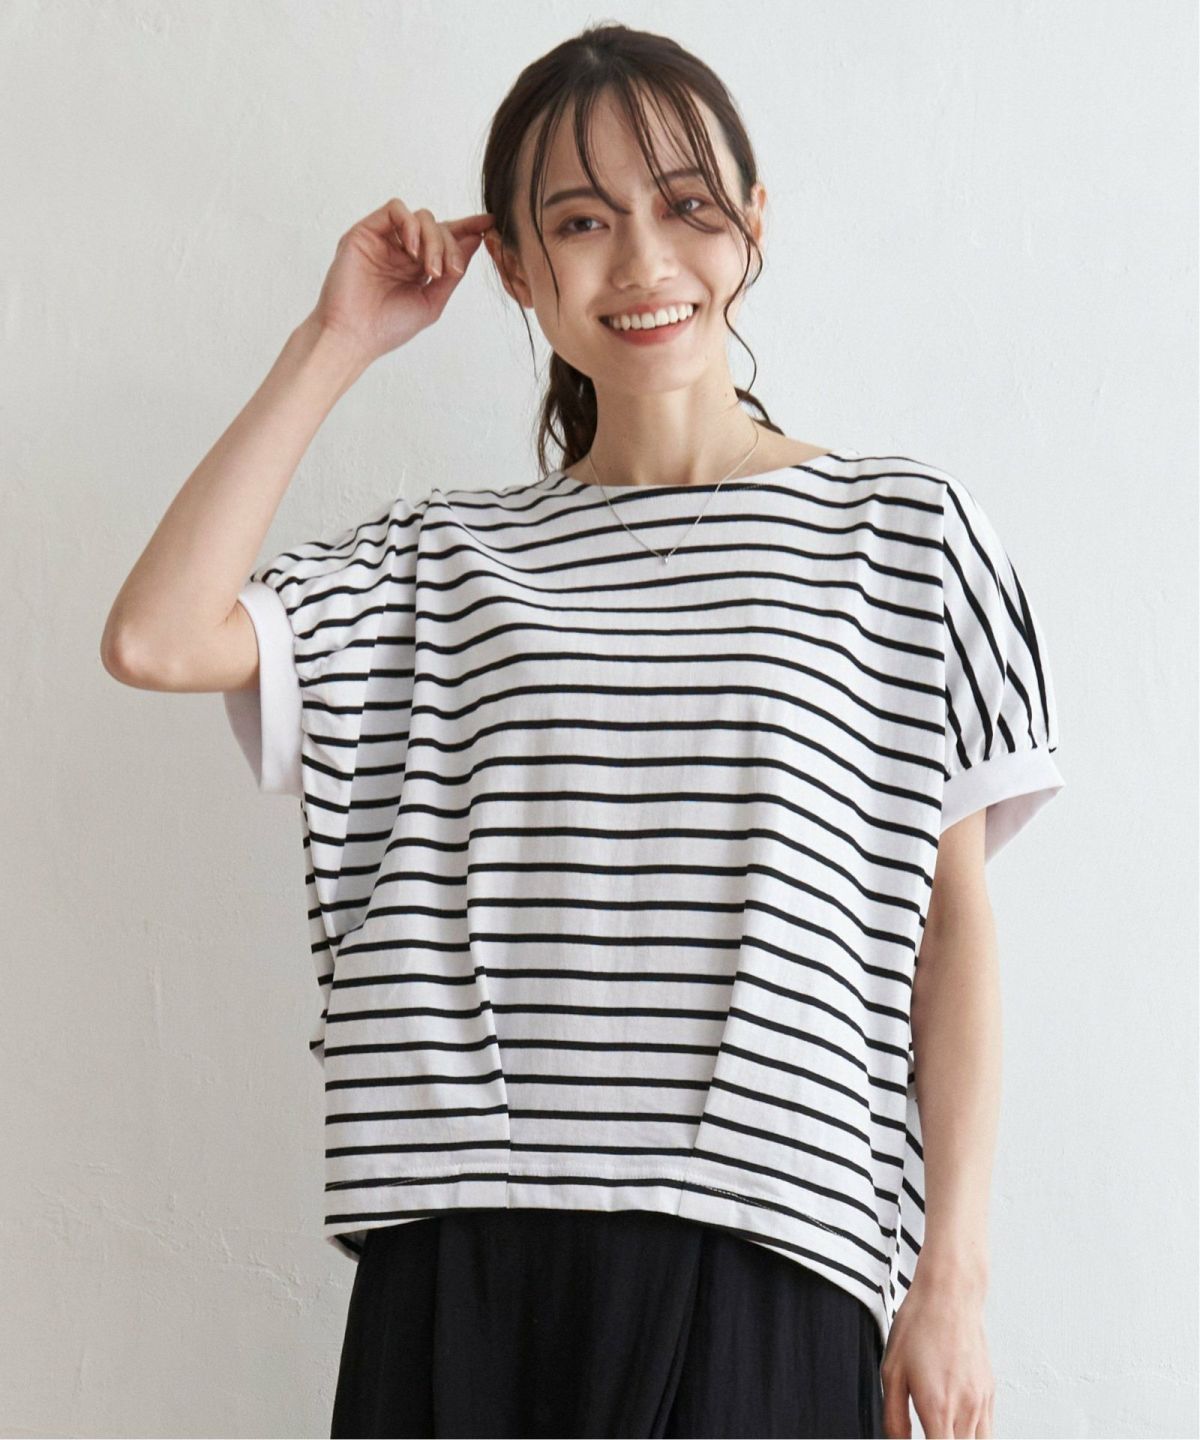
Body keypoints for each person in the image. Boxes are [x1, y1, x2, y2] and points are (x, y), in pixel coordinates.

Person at [101, 21, 1065, 1440]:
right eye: (580, 222)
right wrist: (336, 341)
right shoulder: (443, 560)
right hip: (464, 1253)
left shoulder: (901, 536)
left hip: (770, 1243)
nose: (643, 262)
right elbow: (157, 638)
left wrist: (955, 1278)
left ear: (752, 223)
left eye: (684, 206)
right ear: (514, 266)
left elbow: (950, 926)